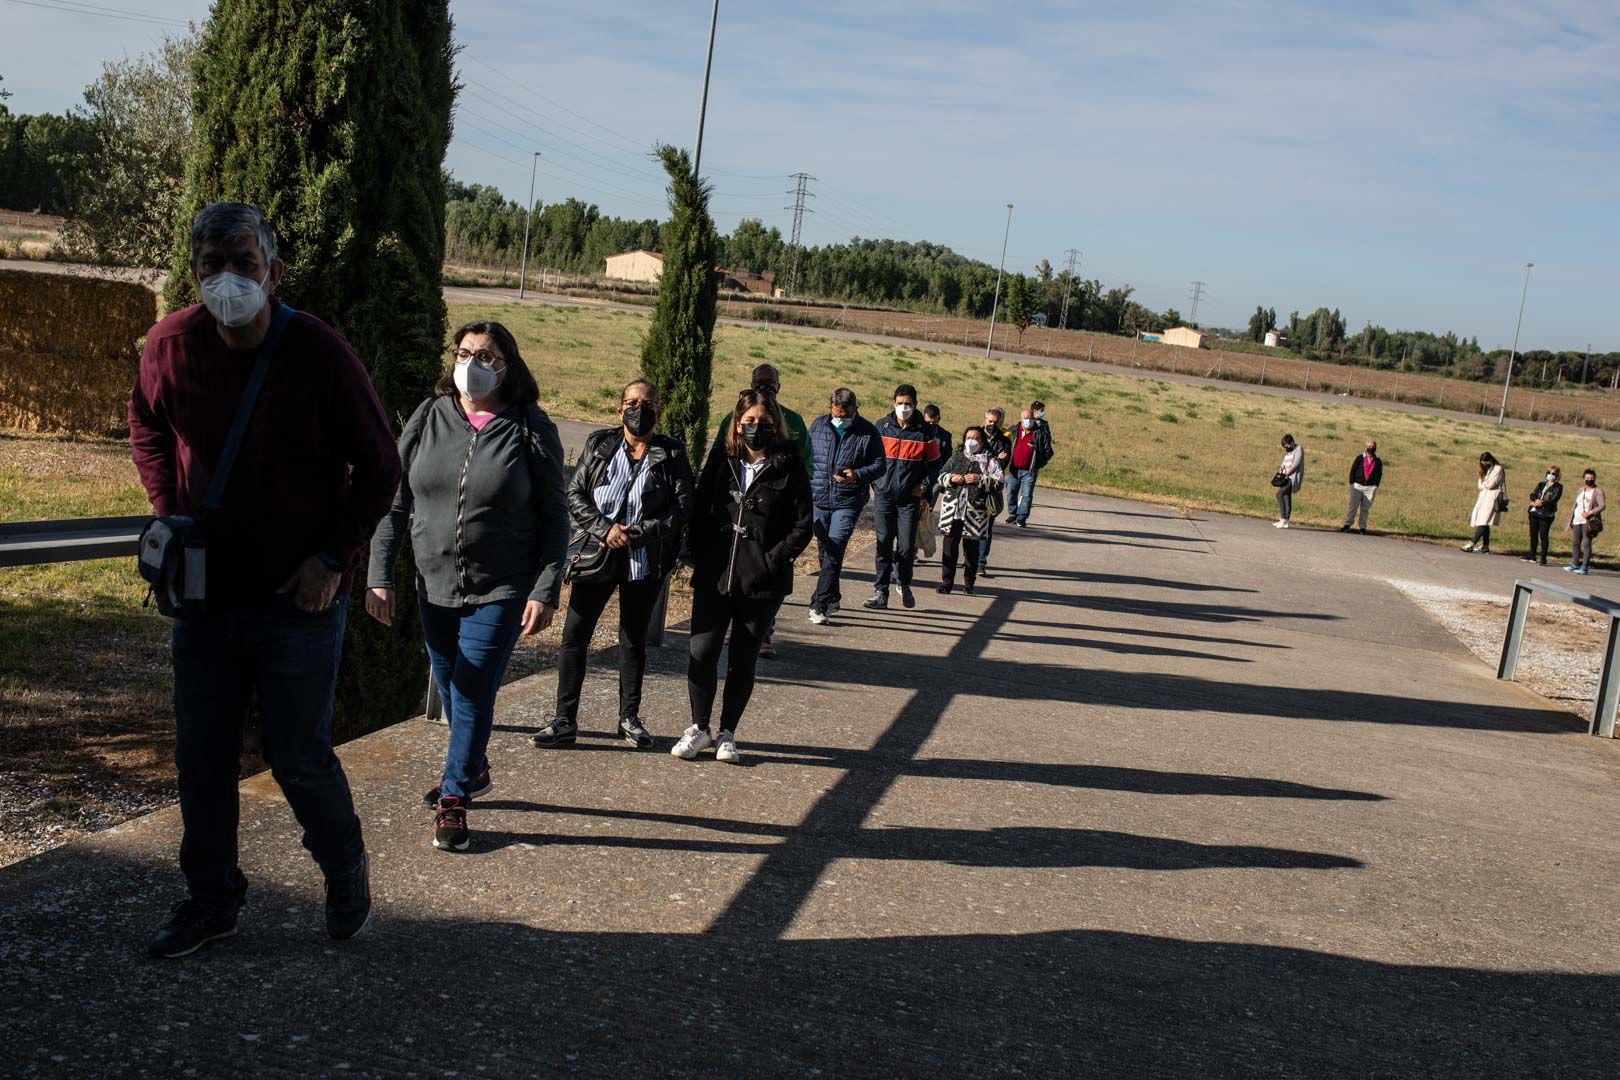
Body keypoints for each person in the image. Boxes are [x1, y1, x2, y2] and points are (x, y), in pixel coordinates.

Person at [130, 202, 402, 956]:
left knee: (297, 755)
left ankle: (343, 864)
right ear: (194, 271)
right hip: (206, 596)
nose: (226, 281)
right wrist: (170, 510)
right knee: (203, 755)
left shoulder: (317, 351)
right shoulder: (170, 344)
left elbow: (381, 467)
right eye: (210, 265)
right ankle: (211, 900)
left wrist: (332, 559)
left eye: (242, 265)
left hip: (297, 599)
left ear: (274, 272)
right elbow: (145, 425)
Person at [366, 320, 569, 853]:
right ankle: (474, 767)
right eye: (464, 352)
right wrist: (379, 574)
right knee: (452, 682)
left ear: (508, 366)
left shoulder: (529, 427)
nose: (472, 363)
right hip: (433, 584)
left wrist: (546, 587)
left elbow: (555, 515)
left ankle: (455, 796)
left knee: (474, 689)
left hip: (501, 587)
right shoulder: (430, 417)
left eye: (487, 355)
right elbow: (394, 501)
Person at [530, 380, 693, 750]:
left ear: (658, 411)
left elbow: (682, 508)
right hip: (597, 553)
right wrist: (605, 529)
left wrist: (636, 533)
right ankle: (564, 720)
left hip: (643, 558)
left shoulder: (671, 452)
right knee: (575, 636)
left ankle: (629, 719)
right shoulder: (599, 444)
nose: (639, 409)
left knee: (633, 639)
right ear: (619, 409)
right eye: (632, 403)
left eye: (647, 403)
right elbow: (575, 493)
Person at [674, 389, 813, 763]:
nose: (755, 428)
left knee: (743, 657)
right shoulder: (723, 459)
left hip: (762, 581)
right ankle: (699, 727)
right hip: (716, 574)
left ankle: (727, 733)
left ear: (776, 426)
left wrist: (772, 561)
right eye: (748, 422)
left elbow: (803, 526)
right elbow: (701, 507)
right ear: (737, 423)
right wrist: (699, 555)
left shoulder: (789, 463)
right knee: (701, 651)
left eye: (764, 423)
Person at [710, 362, 810, 658]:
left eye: (770, 383)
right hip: (735, 513)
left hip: (772, 516)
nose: (764, 387)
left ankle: (764, 632)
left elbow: (806, 462)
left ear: (779, 387)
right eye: (759, 382)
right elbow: (719, 455)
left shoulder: (793, 420)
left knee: (766, 578)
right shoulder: (732, 417)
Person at [806, 388, 884, 625]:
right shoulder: (818, 426)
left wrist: (857, 475)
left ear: (855, 409)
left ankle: (818, 603)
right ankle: (833, 596)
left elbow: (880, 465)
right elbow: (807, 458)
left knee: (835, 547)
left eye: (845, 413)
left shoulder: (868, 432)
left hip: (848, 500)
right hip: (818, 497)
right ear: (830, 407)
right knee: (824, 552)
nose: (840, 417)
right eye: (836, 412)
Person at [864, 383, 942, 610]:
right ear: (893, 404)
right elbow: (870, 458)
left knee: (907, 546)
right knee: (883, 542)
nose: (904, 407)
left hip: (909, 499)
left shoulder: (925, 433)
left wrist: (925, 485)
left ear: (916, 404)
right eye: (900, 404)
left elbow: (935, 465)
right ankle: (880, 591)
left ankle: (904, 582)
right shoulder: (881, 427)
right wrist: (875, 482)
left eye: (908, 404)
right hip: (884, 497)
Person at [934, 426, 1004, 595]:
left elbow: (999, 482)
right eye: (969, 437)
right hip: (953, 511)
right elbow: (941, 476)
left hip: (975, 513)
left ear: (982, 442)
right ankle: (947, 582)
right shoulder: (957, 456)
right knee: (949, 547)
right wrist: (952, 478)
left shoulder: (990, 461)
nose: (971, 441)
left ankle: (969, 583)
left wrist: (980, 479)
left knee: (971, 550)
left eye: (976, 438)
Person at [976, 407, 1012, 577]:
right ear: (984, 420)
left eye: (996, 422)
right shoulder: (975, 436)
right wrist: (996, 458)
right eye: (990, 421)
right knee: (970, 524)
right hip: (974, 487)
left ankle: (981, 562)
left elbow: (1002, 466)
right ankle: (970, 557)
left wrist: (994, 461)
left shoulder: (1004, 441)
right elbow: (970, 458)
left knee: (987, 527)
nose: (992, 424)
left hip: (992, 489)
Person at [1004, 406, 1053, 528]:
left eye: (1031, 418)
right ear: (1021, 419)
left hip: (1029, 471)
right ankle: (1012, 514)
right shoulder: (1013, 431)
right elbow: (1003, 445)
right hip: (1013, 469)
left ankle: (1021, 518)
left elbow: (1048, 452)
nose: (1028, 420)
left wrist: (1038, 464)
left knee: (1026, 495)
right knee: (1011, 493)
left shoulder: (1039, 434)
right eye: (1026, 418)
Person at [1338, 440, 1383, 534]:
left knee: (1365, 509)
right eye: (1369, 446)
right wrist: (1352, 483)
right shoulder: (1360, 458)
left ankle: (1362, 527)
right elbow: (1353, 470)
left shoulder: (1378, 461)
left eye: (1372, 446)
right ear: (1365, 447)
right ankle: (1347, 525)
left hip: (1370, 488)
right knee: (1353, 506)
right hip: (1357, 486)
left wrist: (1375, 485)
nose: (1371, 448)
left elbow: (1379, 474)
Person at [1463, 452, 1505, 553]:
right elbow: (1480, 485)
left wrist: (1485, 484)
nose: (1485, 464)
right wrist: (1485, 483)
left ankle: (1472, 543)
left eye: (1486, 462)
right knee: (1483, 521)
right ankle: (1485, 546)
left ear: (1490, 460)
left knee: (1484, 521)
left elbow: (1490, 485)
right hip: (1483, 497)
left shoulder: (1498, 468)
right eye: (1483, 463)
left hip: (1492, 497)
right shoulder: (1486, 469)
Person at [1566, 469, 1604, 575]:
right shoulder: (1580, 490)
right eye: (1587, 478)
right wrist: (1571, 519)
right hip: (1577, 519)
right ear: (1584, 479)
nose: (1589, 480)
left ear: (1594, 479)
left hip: (1588, 522)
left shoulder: (1598, 491)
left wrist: (1590, 512)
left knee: (1586, 543)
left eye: (1591, 478)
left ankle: (1584, 567)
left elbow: (1602, 506)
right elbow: (1576, 505)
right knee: (1575, 542)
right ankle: (1575, 564)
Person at [1524, 466, 1563, 566]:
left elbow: (1554, 499)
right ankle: (1532, 555)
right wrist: (1535, 500)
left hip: (1546, 513)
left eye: (1553, 474)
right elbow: (1533, 494)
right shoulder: (1541, 484)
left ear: (1557, 476)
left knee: (1543, 535)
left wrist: (1542, 503)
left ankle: (1543, 557)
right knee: (1533, 534)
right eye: (1549, 473)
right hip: (1534, 512)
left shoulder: (1558, 487)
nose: (1550, 475)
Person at [1273, 434, 1304, 528]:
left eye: (1287, 445)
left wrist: (1287, 473)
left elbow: (1296, 464)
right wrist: (1280, 472)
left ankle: (1283, 518)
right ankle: (1285, 521)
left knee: (1279, 494)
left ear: (1292, 442)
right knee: (1286, 496)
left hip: (1292, 478)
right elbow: (1284, 462)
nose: (1286, 448)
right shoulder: (1289, 451)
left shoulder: (1299, 449)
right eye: (1284, 446)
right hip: (1285, 477)